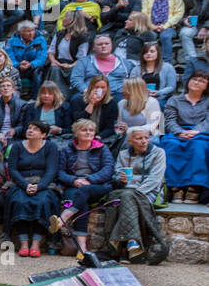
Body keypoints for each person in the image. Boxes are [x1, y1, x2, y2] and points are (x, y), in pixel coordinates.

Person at [100, 127, 168, 263]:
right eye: (139, 138)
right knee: (124, 197)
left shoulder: (158, 153)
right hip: (125, 190)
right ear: (130, 141)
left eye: (146, 138)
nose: (144, 141)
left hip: (149, 192)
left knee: (127, 197)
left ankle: (117, 243)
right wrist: (121, 179)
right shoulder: (124, 154)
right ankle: (133, 243)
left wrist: (136, 191)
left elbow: (154, 179)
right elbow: (117, 174)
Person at [48, 118, 115, 254]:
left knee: (83, 192)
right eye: (84, 130)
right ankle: (82, 249)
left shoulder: (103, 149)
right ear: (76, 133)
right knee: (80, 202)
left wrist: (89, 180)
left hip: (98, 186)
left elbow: (108, 170)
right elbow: (59, 172)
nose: (88, 132)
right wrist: (74, 180)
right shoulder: (67, 150)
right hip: (74, 186)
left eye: (91, 130)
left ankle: (63, 218)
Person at [4, 120, 61, 257]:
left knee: (43, 202)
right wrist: (26, 185)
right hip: (20, 183)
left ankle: (36, 243)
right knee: (18, 201)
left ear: (43, 134)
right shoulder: (16, 146)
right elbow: (13, 170)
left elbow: (51, 171)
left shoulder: (51, 147)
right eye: (29, 128)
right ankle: (23, 244)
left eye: (35, 129)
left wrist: (39, 186)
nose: (30, 131)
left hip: (44, 184)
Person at [161, 69, 209, 202]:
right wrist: (179, 132)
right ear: (188, 81)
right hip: (178, 132)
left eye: (202, 81)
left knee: (198, 146)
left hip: (201, 133)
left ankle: (194, 187)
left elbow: (208, 121)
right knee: (171, 144)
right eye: (194, 79)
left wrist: (196, 131)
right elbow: (170, 120)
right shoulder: (174, 100)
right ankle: (176, 187)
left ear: (206, 86)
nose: (197, 82)